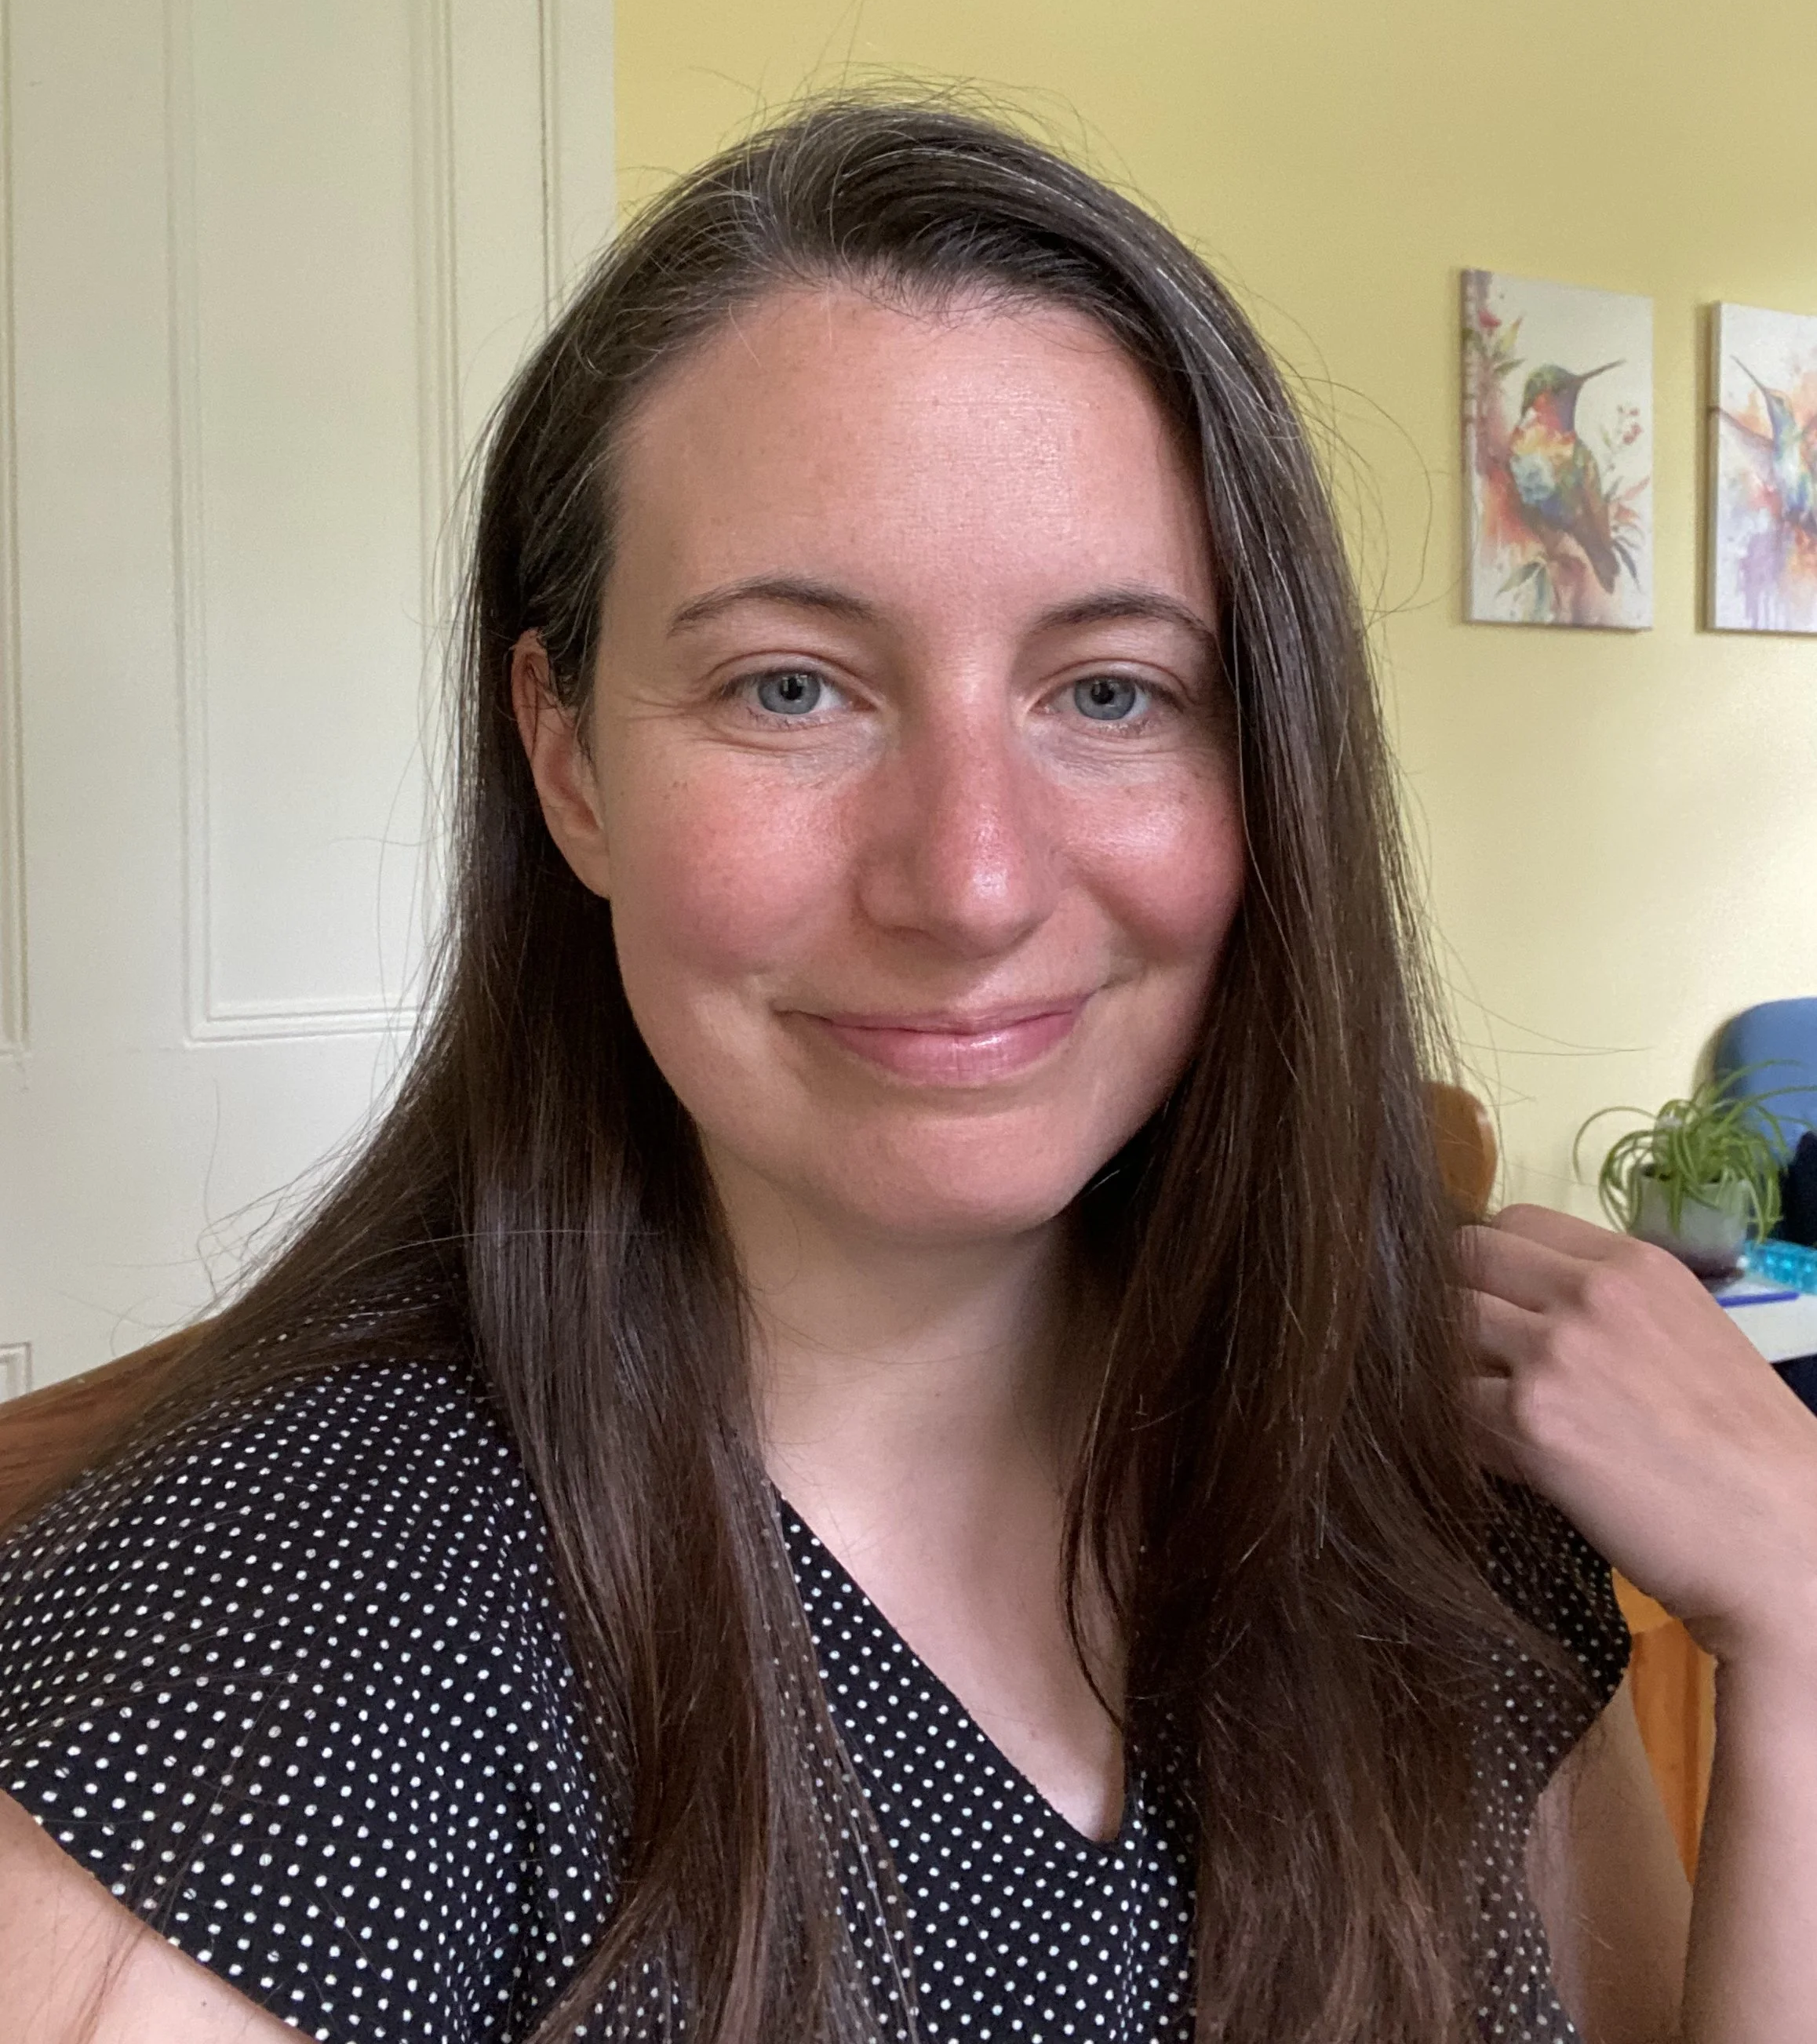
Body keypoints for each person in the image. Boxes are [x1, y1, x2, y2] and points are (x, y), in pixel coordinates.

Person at [2, 100, 1814, 2044]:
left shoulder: (1412, 1493)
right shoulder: (259, 1668)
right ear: (570, 758)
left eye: (1109, 691)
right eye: (792, 685)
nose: (968, 880)